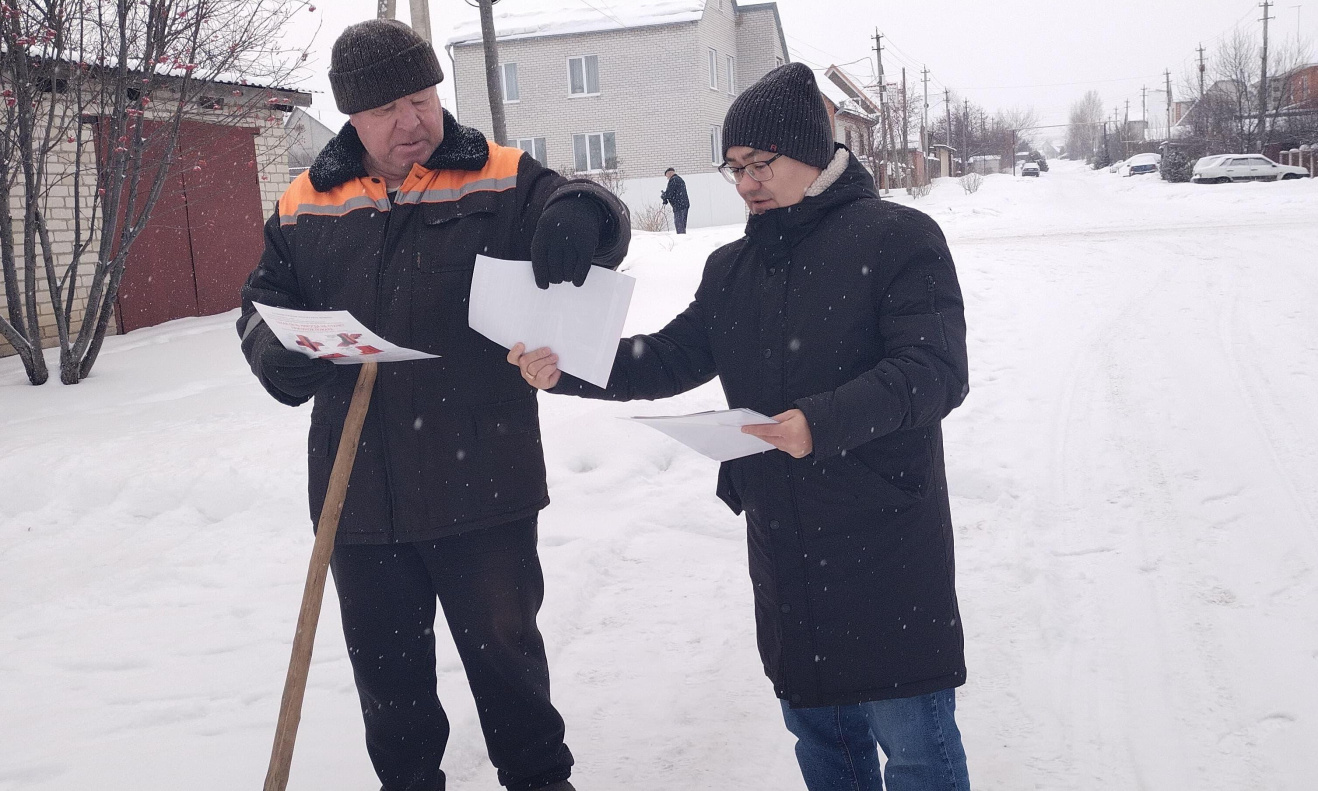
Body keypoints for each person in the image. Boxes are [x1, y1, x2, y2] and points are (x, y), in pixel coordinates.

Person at [510, 63, 971, 791]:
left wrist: (820, 422)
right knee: (822, 733)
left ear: (811, 151)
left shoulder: (898, 238)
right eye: (734, 168)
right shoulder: (733, 266)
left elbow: (934, 369)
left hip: (884, 529)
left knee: (912, 738)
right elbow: (670, 357)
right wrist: (566, 368)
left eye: (761, 163)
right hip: (785, 533)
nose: (748, 182)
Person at [236, 19, 631, 791]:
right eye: (386, 109)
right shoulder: (305, 202)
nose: (411, 121)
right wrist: (272, 350)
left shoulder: (498, 175)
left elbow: (594, 208)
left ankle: (540, 780)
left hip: (482, 476)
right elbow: (261, 301)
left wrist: (584, 214)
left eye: (420, 99)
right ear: (352, 116)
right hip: (357, 491)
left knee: (509, 664)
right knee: (390, 687)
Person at [659, 167, 690, 233]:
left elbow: (669, 193)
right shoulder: (679, 179)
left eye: (667, 176)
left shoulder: (673, 180)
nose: (667, 178)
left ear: (669, 173)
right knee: (682, 224)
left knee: (679, 225)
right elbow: (673, 193)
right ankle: (683, 235)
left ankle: (681, 237)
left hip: (679, 206)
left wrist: (663, 196)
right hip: (684, 204)